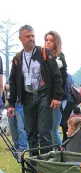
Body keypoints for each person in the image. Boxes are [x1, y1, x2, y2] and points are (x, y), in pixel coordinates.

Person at [8, 25, 64, 156]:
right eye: (28, 36)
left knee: (45, 132)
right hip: (27, 97)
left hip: (44, 94)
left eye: (33, 36)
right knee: (30, 133)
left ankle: (47, 163)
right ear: (20, 38)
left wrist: (57, 96)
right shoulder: (17, 58)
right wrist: (11, 104)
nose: (31, 39)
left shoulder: (44, 52)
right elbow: (13, 82)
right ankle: (34, 163)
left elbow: (57, 75)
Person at [45, 31, 68, 148]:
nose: (48, 42)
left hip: (58, 97)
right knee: (50, 129)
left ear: (56, 43)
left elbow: (61, 80)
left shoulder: (59, 57)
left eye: (51, 40)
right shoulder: (44, 56)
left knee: (54, 128)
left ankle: (59, 154)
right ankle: (54, 153)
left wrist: (57, 97)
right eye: (46, 40)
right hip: (48, 97)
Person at [4, 84, 27, 152]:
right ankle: (16, 145)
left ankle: (23, 146)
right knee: (12, 127)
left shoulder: (23, 74)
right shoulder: (12, 75)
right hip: (10, 103)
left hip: (19, 103)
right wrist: (6, 87)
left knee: (20, 127)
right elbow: (5, 86)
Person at [61, 73, 77, 142]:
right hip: (71, 101)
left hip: (66, 100)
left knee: (63, 122)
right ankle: (66, 138)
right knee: (64, 121)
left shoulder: (62, 74)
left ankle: (67, 139)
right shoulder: (69, 75)